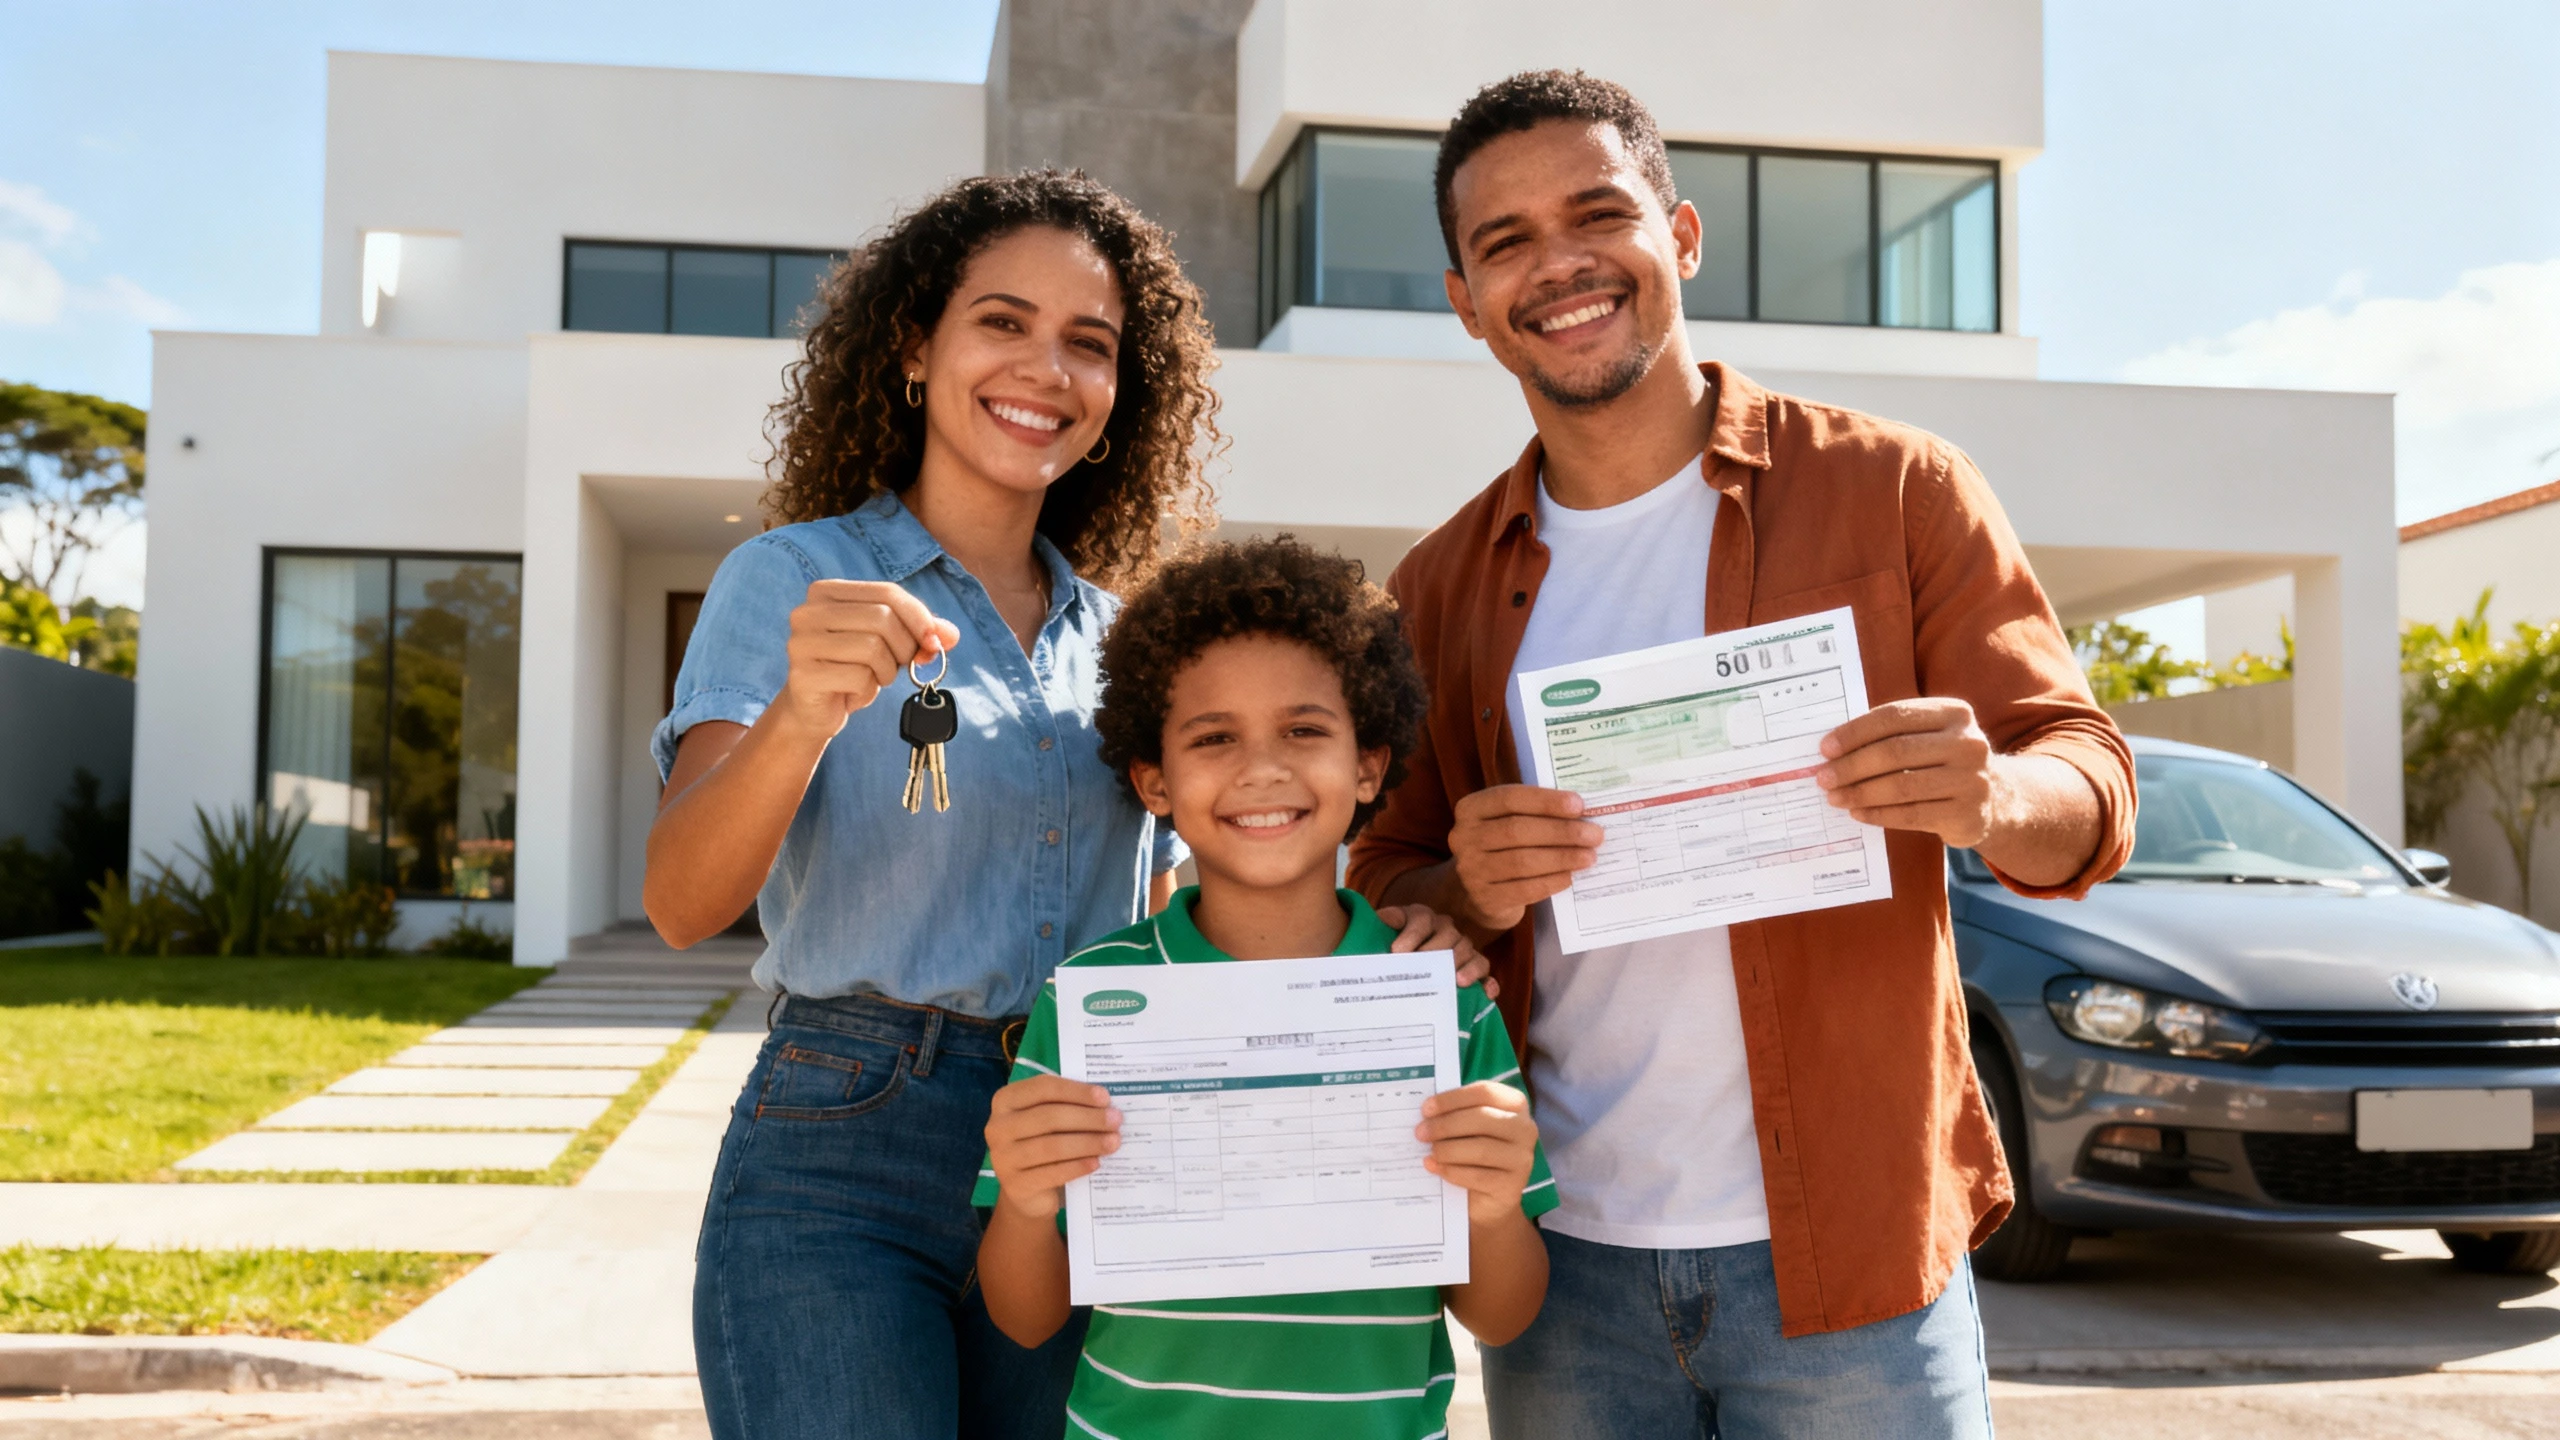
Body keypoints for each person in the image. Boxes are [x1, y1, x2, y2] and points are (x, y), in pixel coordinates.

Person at [1346, 73, 2138, 1438]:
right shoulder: (1438, 585)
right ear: (1468, 302)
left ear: (1683, 235)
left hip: (1860, 1259)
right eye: (1507, 242)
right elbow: (1382, 883)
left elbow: (2090, 781)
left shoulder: (1899, 490)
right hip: (1563, 1267)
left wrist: (1994, 794)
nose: (1560, 265)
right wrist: (1465, 888)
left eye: (1598, 215)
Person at [646, 173, 1481, 1440]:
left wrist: (1382, 946)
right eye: (1002, 322)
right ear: (915, 348)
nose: (1046, 369)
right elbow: (679, 902)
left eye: (1088, 343)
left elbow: (1199, 896)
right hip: (843, 1148)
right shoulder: (792, 579)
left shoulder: (1128, 643)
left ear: (1117, 395)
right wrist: (804, 713)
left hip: (1090, 1132)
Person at [973, 538, 1554, 1440]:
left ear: (1368, 766)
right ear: (1154, 781)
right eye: (1214, 738)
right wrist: (1021, 1198)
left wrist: (1493, 1204)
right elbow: (1025, 1319)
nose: (1262, 769)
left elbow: (1502, 1317)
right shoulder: (1090, 1000)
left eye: (1304, 730)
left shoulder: (1442, 998)